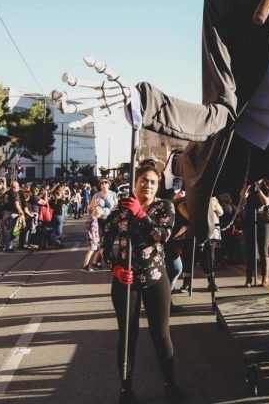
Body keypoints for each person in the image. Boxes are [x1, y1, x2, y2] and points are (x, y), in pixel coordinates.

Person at [102, 159, 183, 403]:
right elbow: (105, 245)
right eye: (143, 181)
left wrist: (140, 214)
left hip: (155, 278)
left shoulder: (164, 207)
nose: (148, 185)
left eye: (153, 182)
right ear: (135, 183)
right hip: (126, 282)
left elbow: (163, 237)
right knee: (128, 335)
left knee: (160, 334)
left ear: (158, 186)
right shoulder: (120, 210)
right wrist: (115, 268)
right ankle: (126, 389)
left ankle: (170, 383)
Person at [241, 178, 269, 286]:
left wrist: (258, 190)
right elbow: (242, 198)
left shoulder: (267, 186)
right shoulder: (249, 185)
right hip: (250, 219)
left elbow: (266, 202)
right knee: (250, 249)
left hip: (264, 219)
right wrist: (247, 187)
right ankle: (248, 278)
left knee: (263, 248)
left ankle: (265, 277)